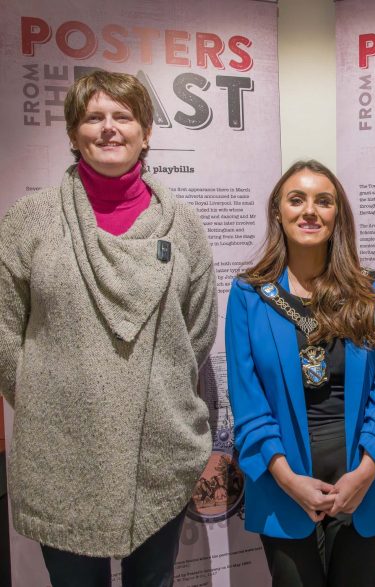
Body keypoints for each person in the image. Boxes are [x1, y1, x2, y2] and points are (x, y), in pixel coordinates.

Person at [0, 71, 217, 586]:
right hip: (61, 454)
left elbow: (198, 332)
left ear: (146, 132)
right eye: (94, 117)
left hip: (158, 447)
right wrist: (53, 401)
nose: (109, 129)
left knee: (154, 581)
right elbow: (6, 333)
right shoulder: (29, 221)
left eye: (123, 117)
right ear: (74, 134)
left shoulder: (182, 225)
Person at [225, 160, 375, 586]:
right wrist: (289, 480)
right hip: (285, 482)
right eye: (297, 199)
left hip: (362, 479)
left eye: (323, 201)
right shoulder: (250, 295)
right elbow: (247, 399)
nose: (310, 211)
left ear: (336, 214)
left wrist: (363, 473)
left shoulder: (371, 291)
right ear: (278, 211)